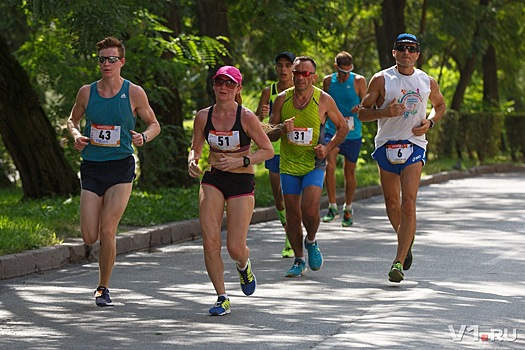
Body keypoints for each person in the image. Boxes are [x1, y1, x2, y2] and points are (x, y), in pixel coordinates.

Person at [67, 36, 161, 306]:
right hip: (92, 167)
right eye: (101, 59)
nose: (106, 64)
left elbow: (154, 124)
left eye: (111, 59)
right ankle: (102, 283)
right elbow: (72, 119)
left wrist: (144, 137)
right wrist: (75, 135)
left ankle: (102, 287)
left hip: (121, 166)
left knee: (108, 230)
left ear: (121, 62)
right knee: (89, 235)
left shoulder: (134, 92)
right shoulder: (87, 92)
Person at [358, 33, 446, 283]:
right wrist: (384, 111)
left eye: (412, 49)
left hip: (414, 144)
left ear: (417, 54)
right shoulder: (381, 79)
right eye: (401, 48)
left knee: (408, 203)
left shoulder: (427, 80)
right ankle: (407, 237)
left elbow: (440, 106)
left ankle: (398, 260)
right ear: (394, 52)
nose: (406, 52)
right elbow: (363, 113)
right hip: (386, 144)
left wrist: (429, 122)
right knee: (391, 203)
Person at [188, 66, 273, 315]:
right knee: (210, 240)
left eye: (229, 83)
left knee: (235, 247)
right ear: (213, 86)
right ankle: (221, 297)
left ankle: (243, 264)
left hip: (241, 183)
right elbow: (196, 147)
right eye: (219, 83)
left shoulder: (246, 117)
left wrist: (241, 161)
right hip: (213, 179)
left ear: (238, 89)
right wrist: (192, 159)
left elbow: (266, 150)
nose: (223, 88)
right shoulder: (203, 117)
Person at [269, 56, 349, 277]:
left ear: (313, 76)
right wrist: (282, 129)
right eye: (297, 73)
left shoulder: (323, 99)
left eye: (305, 73)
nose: (300, 77)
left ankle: (311, 240)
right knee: (293, 215)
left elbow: (343, 127)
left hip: (314, 163)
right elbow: (269, 133)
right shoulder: (282, 100)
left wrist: (329, 147)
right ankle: (298, 259)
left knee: (310, 209)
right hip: (288, 165)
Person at [255, 52, 296, 258]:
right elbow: (255, 124)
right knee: (279, 198)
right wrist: (260, 116)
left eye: (288, 65)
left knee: (291, 197)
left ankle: (291, 239)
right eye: (280, 65)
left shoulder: (301, 91)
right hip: (274, 150)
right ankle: (288, 231)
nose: (283, 70)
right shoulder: (268, 91)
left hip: (295, 150)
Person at [321, 51, 367, 227]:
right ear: (336, 67)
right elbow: (323, 104)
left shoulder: (358, 81)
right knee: (329, 166)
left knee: (349, 172)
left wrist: (360, 107)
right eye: (342, 71)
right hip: (333, 130)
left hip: (353, 133)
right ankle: (332, 206)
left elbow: (368, 103)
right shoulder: (328, 81)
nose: (346, 75)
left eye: (349, 71)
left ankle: (348, 208)